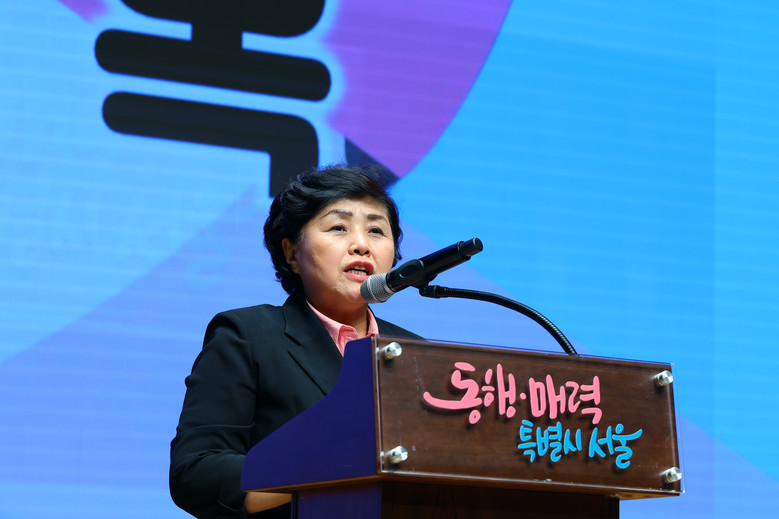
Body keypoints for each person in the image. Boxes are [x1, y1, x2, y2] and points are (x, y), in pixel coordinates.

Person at [169, 164, 420, 519]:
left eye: (376, 230)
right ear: (291, 253)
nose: (362, 245)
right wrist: (331, 469)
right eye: (338, 227)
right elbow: (196, 472)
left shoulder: (417, 354)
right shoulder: (248, 334)